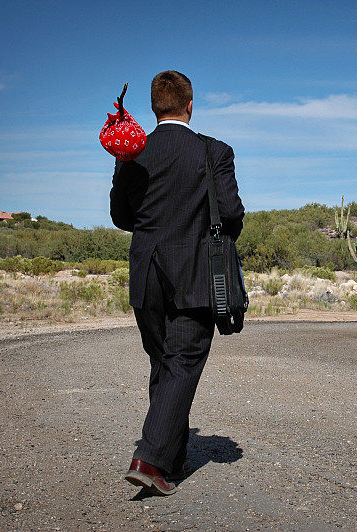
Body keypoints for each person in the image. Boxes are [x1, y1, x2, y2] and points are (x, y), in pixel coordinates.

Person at [109, 70, 245, 495]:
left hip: (145, 273)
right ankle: (148, 460)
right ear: (190, 104)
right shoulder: (214, 152)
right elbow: (231, 213)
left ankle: (170, 456)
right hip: (193, 273)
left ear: (155, 107)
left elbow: (120, 216)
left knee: (164, 362)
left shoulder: (134, 153)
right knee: (182, 362)